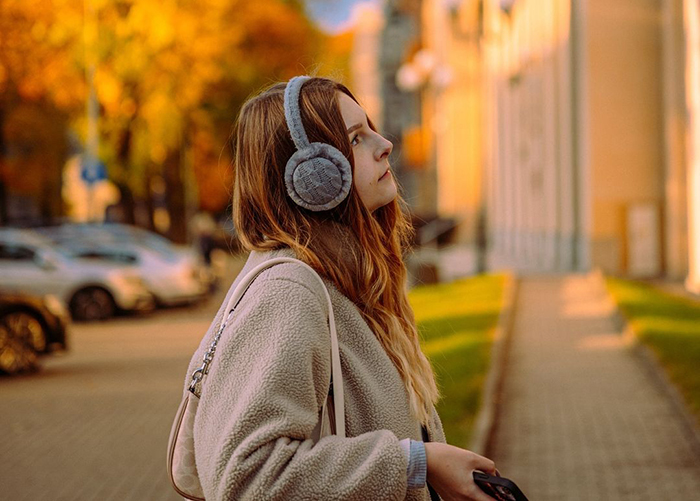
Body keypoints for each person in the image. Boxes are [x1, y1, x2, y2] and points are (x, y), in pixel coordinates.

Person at [182, 75, 499, 501]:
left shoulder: (345, 278)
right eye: (355, 138)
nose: (385, 143)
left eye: (371, 128)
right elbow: (246, 478)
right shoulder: (288, 291)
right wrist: (414, 463)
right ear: (312, 175)